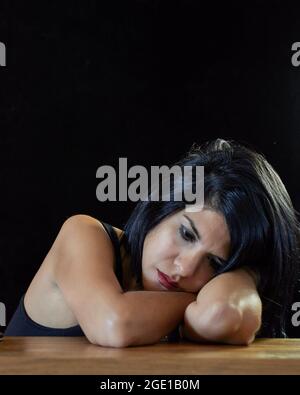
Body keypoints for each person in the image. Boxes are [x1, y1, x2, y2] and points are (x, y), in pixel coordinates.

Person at [5, 138, 300, 346]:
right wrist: (192, 302)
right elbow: (115, 326)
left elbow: (221, 313)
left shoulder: (201, 303)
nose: (184, 268)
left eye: (214, 263)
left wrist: (251, 272)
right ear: (160, 209)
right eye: (186, 234)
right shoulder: (83, 234)